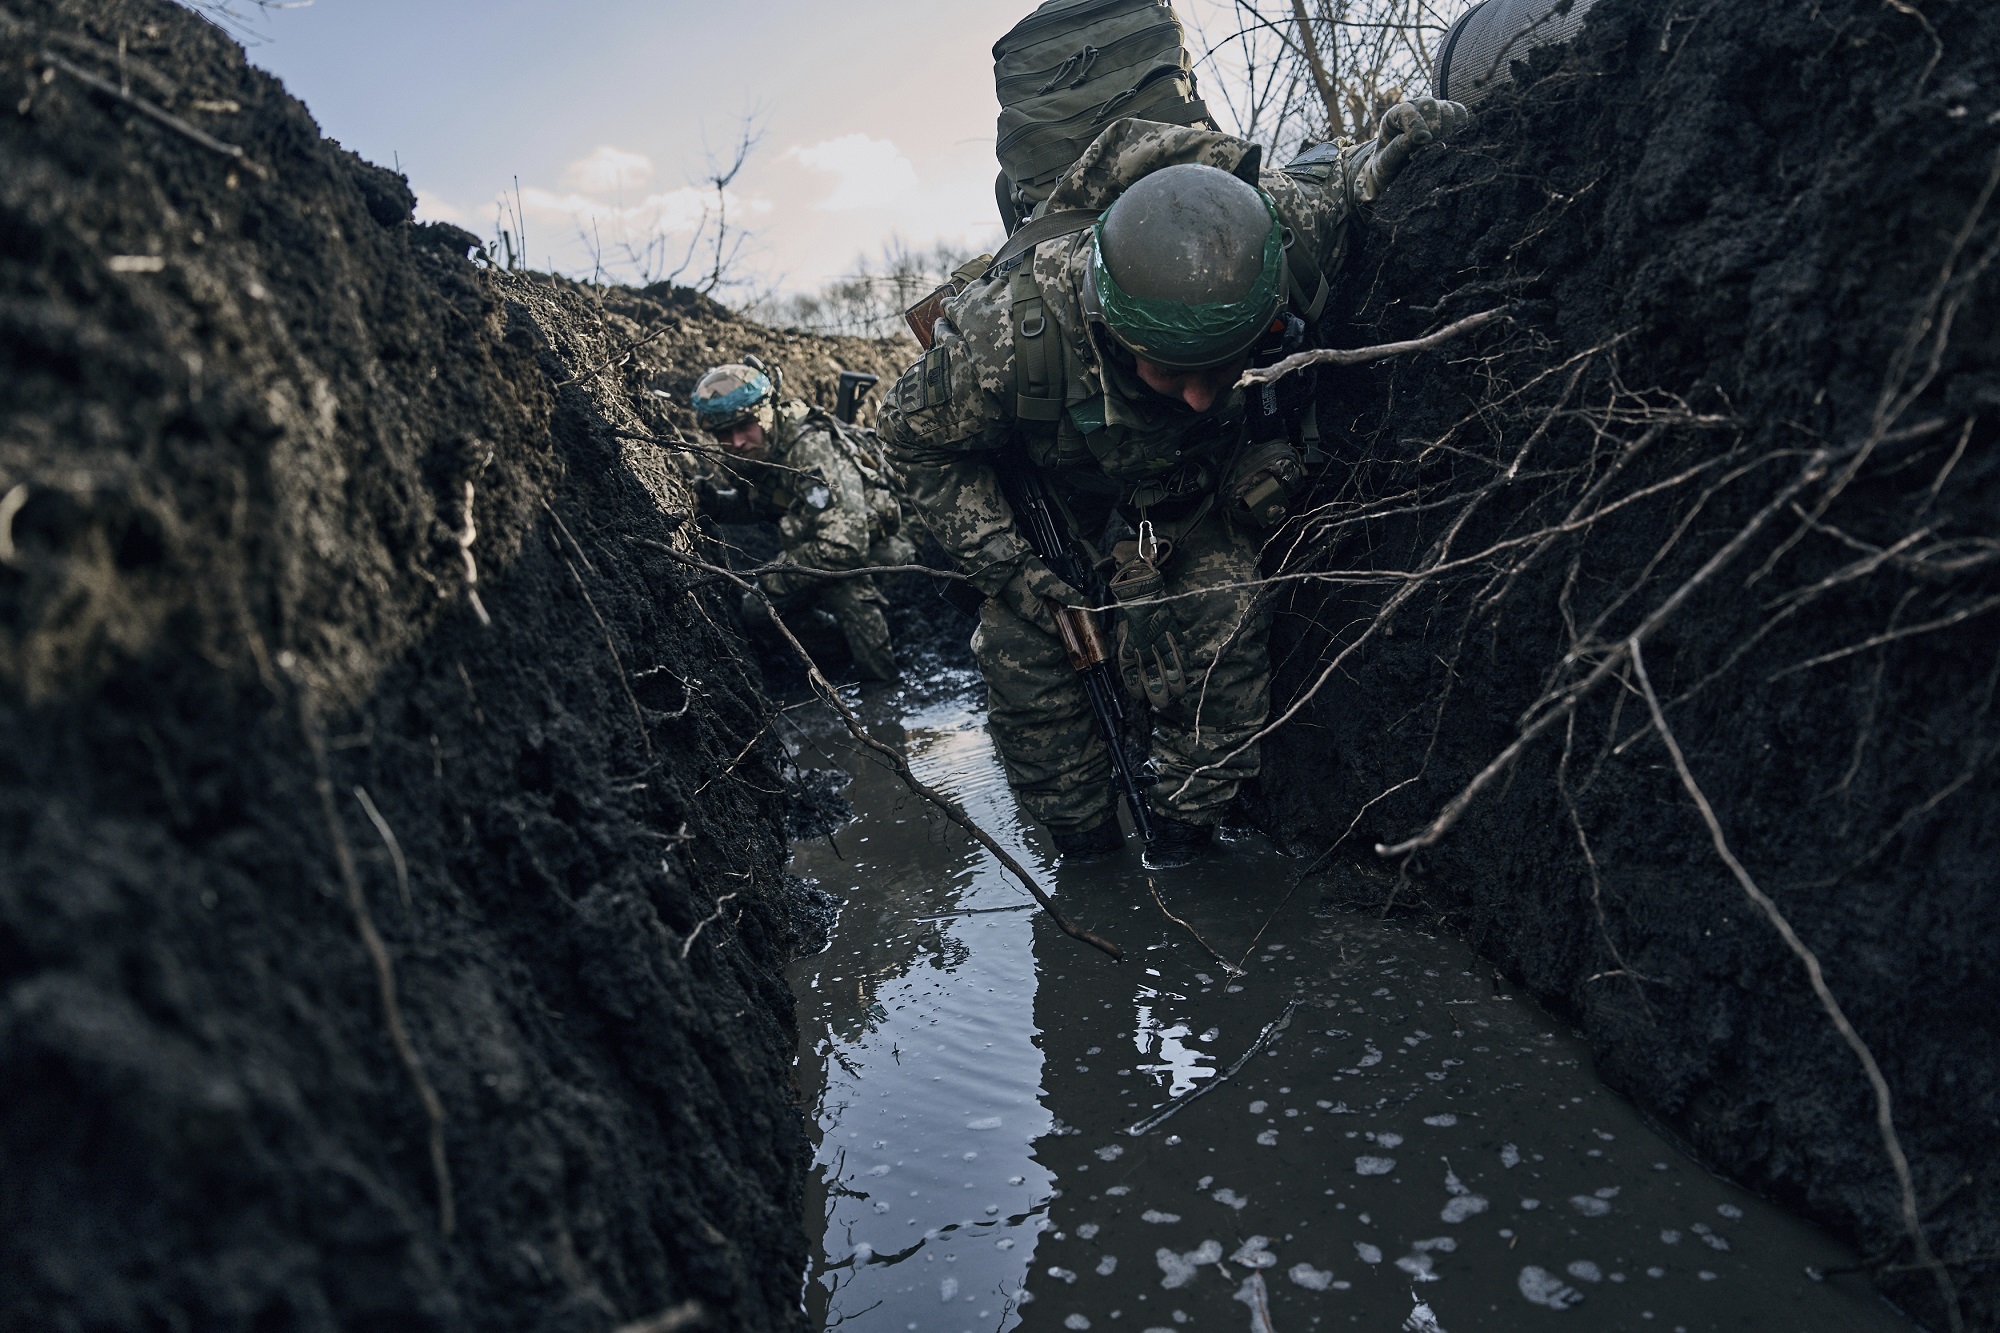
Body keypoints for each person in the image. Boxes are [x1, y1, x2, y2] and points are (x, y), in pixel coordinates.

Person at [877, 102, 1467, 862]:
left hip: (1198, 501)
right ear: (1111, 328)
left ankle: (1186, 844)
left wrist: (1400, 142)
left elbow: (1349, 175)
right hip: (1070, 516)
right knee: (1024, 661)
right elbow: (907, 438)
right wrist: (1016, 570)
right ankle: (1085, 858)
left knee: (1227, 621)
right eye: (1171, 373)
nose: (1198, 397)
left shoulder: (1278, 236)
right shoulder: (1007, 339)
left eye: (1221, 369)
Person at [692, 359, 913, 681]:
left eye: (744, 427)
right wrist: (719, 506)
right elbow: (769, 504)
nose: (736, 442)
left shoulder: (809, 449)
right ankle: (840, 653)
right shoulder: (763, 447)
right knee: (757, 609)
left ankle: (883, 688)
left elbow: (845, 548)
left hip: (889, 540)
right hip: (830, 537)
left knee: (844, 586)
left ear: (766, 414)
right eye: (724, 433)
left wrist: (773, 575)